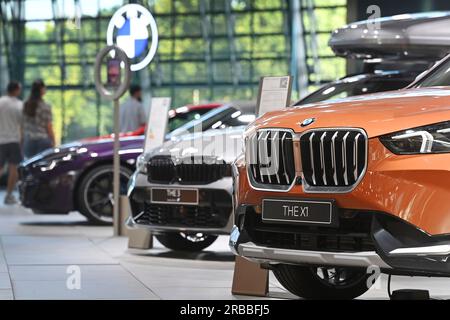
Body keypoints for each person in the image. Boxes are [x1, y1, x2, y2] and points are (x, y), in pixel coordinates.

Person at [0, 81, 23, 205]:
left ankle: (9, 195)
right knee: (13, 169)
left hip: (1, 140)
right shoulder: (19, 105)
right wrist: (22, 141)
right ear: (17, 90)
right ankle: (9, 195)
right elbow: (22, 125)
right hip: (13, 140)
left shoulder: (1, 102)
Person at [22, 79, 55, 159]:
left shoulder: (26, 104)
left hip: (29, 141)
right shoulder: (46, 106)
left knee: (30, 166)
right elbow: (49, 126)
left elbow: (23, 124)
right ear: (41, 90)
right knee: (42, 167)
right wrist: (53, 140)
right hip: (43, 141)